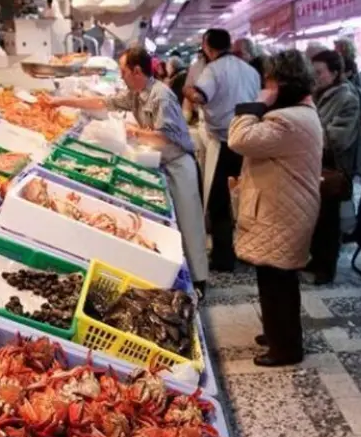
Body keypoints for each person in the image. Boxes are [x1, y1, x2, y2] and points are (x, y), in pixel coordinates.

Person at [53, 47, 210, 294]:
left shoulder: (161, 96)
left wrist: (135, 132)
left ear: (137, 71)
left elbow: (166, 138)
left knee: (189, 224)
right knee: (177, 226)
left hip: (179, 164)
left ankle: (198, 283)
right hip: (161, 162)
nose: (122, 76)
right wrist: (61, 101)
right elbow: (103, 102)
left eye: (124, 71)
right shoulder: (137, 93)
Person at [228, 49, 322, 367]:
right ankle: (276, 333)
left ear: (280, 83)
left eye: (269, 80)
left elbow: (239, 139)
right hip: (282, 209)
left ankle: (286, 349)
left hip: (282, 213)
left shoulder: (287, 119)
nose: (264, 85)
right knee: (274, 280)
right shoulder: (300, 113)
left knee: (278, 283)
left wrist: (258, 102)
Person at [184, 29, 261, 272]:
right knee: (247, 200)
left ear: (207, 46)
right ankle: (249, 253)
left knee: (220, 202)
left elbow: (199, 97)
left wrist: (187, 89)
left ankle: (223, 258)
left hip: (225, 143)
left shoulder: (213, 70)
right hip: (250, 142)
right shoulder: (250, 70)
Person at [308, 50, 361, 284]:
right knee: (317, 217)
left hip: (335, 167)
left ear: (335, 72)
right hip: (317, 162)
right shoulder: (318, 93)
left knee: (330, 221)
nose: (316, 76)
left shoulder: (347, 98)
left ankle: (326, 267)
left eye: (320, 72)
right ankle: (316, 259)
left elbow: (340, 138)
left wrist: (308, 131)